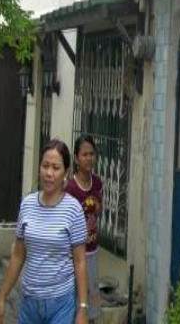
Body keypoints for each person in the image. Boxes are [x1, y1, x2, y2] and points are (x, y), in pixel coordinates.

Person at [0, 139, 89, 324]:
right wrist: (2, 296)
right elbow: (18, 255)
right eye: (45, 166)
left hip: (61, 304)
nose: (49, 173)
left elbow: (80, 262)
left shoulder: (73, 209)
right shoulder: (27, 205)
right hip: (29, 304)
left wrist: (83, 308)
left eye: (56, 168)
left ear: (65, 173)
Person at [65, 135, 103, 322]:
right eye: (84, 154)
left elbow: (99, 211)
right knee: (75, 301)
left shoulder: (98, 183)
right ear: (76, 158)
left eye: (91, 154)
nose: (89, 158)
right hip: (74, 254)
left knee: (91, 302)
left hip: (92, 250)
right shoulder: (70, 188)